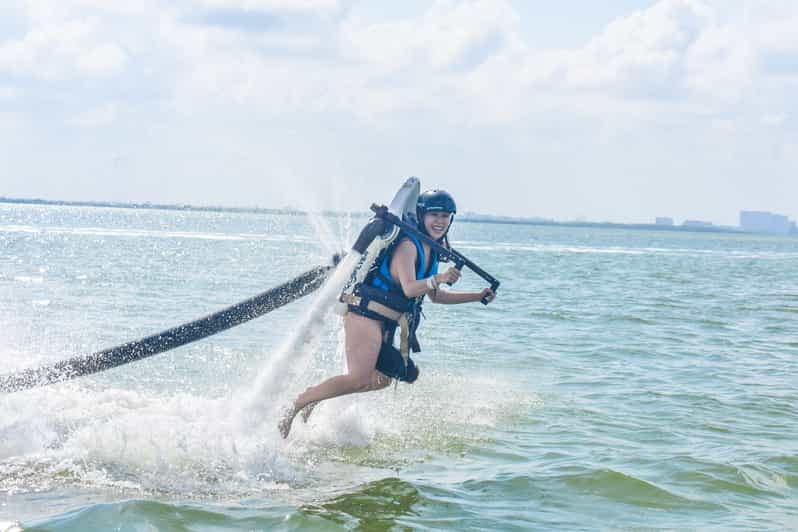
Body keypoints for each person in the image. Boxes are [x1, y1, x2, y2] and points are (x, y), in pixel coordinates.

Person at [279, 189, 496, 438]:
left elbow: (435, 297)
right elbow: (410, 288)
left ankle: (313, 397)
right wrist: (440, 278)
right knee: (360, 378)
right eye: (434, 215)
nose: (440, 221)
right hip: (364, 313)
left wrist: (477, 296)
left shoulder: (431, 251)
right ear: (422, 215)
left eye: (446, 216)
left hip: (385, 322)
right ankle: (296, 403)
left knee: (381, 380)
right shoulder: (408, 246)